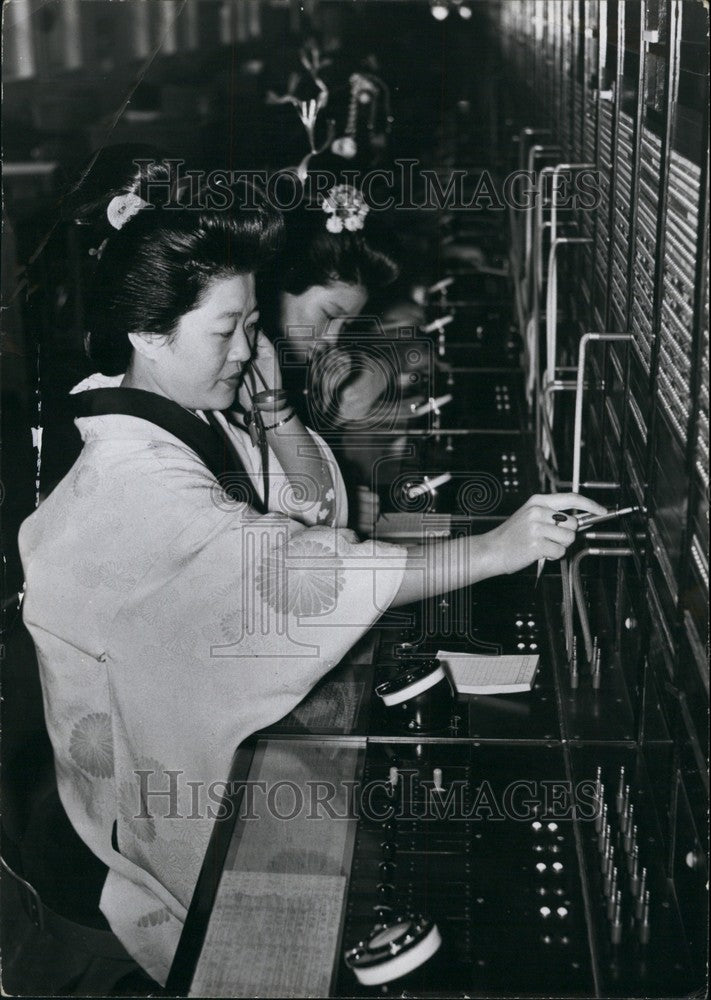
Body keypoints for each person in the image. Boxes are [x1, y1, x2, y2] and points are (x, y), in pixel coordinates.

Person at [19, 162, 605, 985]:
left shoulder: (188, 423)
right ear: (149, 333)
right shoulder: (129, 483)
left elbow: (318, 513)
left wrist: (270, 408)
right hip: (101, 873)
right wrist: (496, 549)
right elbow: (299, 570)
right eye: (226, 331)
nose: (249, 349)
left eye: (253, 325)